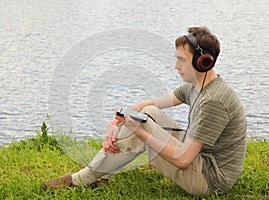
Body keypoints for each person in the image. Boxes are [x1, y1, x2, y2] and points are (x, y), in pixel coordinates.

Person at [42, 26, 247, 195]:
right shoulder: (196, 87)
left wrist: (140, 132)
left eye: (181, 60)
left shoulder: (213, 101)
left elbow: (184, 160)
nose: (176, 66)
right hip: (201, 160)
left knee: (142, 127)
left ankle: (85, 178)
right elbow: (143, 106)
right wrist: (114, 123)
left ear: (202, 62)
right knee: (149, 112)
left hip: (209, 180)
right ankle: (98, 175)